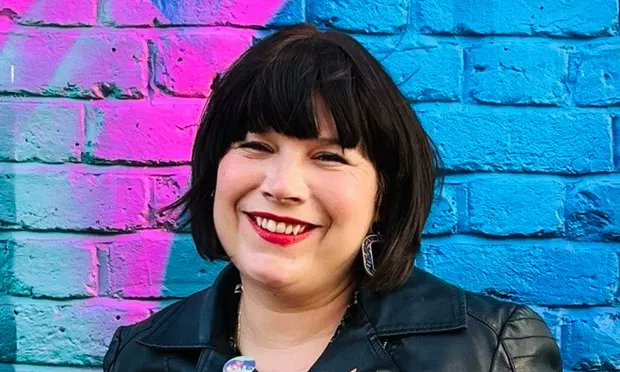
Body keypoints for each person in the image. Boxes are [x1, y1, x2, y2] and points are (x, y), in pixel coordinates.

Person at [102, 23, 561, 371]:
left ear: (383, 193)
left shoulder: (490, 351)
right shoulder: (138, 354)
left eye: (328, 157)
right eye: (256, 147)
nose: (282, 186)